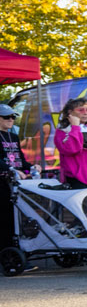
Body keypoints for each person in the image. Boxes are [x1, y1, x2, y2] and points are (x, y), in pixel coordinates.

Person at [0, 103, 35, 261]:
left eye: (13, 117)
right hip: (3, 182)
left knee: (17, 218)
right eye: (6, 117)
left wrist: (31, 167)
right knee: (5, 219)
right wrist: (11, 170)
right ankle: (7, 254)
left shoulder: (13, 137)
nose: (11, 120)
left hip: (16, 184)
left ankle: (18, 251)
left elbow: (20, 160)